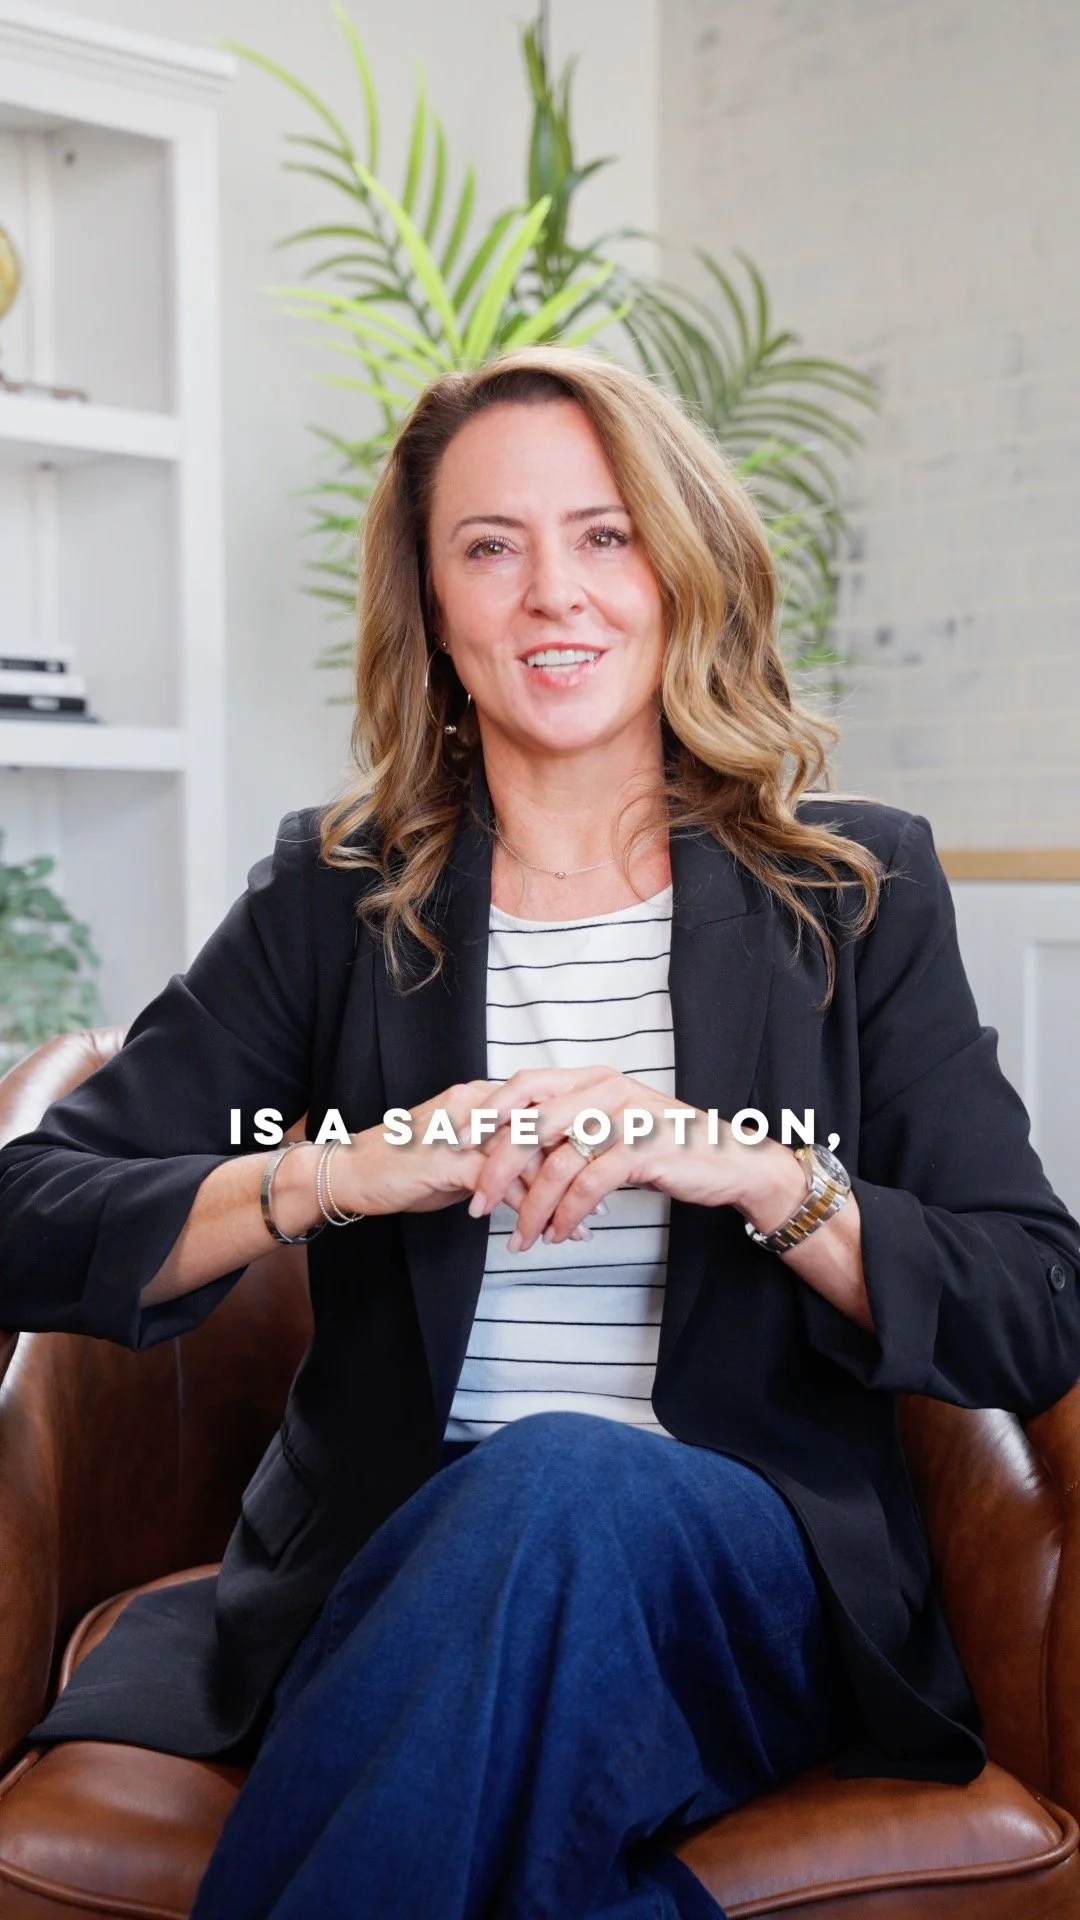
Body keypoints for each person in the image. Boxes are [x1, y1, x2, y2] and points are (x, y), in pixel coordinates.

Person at [1, 346, 1078, 1920]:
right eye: (490, 547)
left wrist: (758, 1173)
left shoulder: (855, 894)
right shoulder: (333, 895)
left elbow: (1031, 1302)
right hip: (384, 1568)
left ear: (679, 568)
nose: (552, 593)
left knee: (563, 1481)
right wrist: (340, 1175)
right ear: (434, 606)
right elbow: (30, 1211)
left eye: (604, 535)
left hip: (742, 1584)